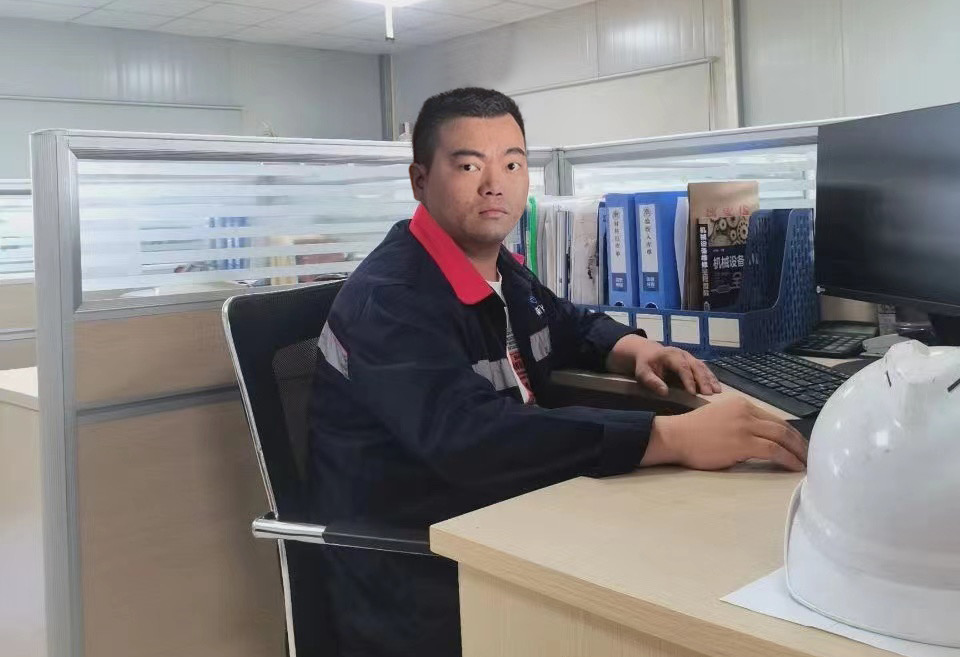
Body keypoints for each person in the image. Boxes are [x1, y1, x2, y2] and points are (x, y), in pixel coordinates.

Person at [308, 87, 807, 657]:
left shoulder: (497, 269)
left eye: (512, 164)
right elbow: (470, 438)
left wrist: (632, 349)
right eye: (468, 165)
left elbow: (564, 321)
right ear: (420, 180)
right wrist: (669, 437)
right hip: (419, 570)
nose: (494, 184)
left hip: (501, 520)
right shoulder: (391, 301)